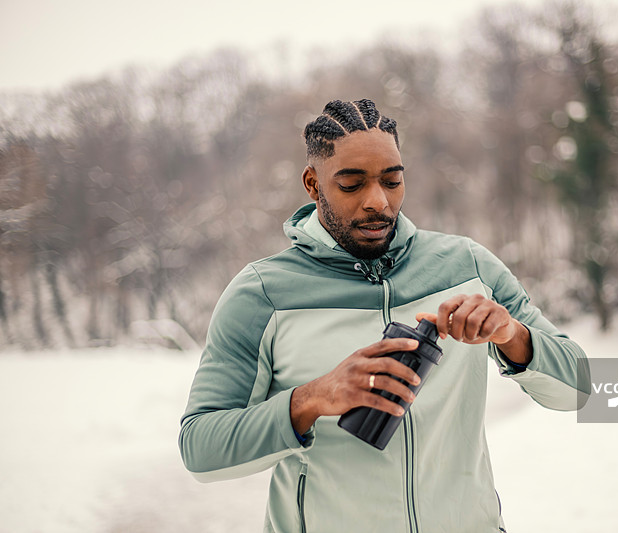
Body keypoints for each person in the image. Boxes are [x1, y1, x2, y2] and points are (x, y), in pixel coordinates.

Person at [179, 98, 590, 532]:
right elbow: (201, 450)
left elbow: (583, 387)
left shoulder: (469, 267)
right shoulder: (262, 294)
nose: (378, 202)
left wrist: (513, 335)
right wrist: (312, 399)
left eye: (392, 181)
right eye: (352, 185)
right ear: (312, 183)